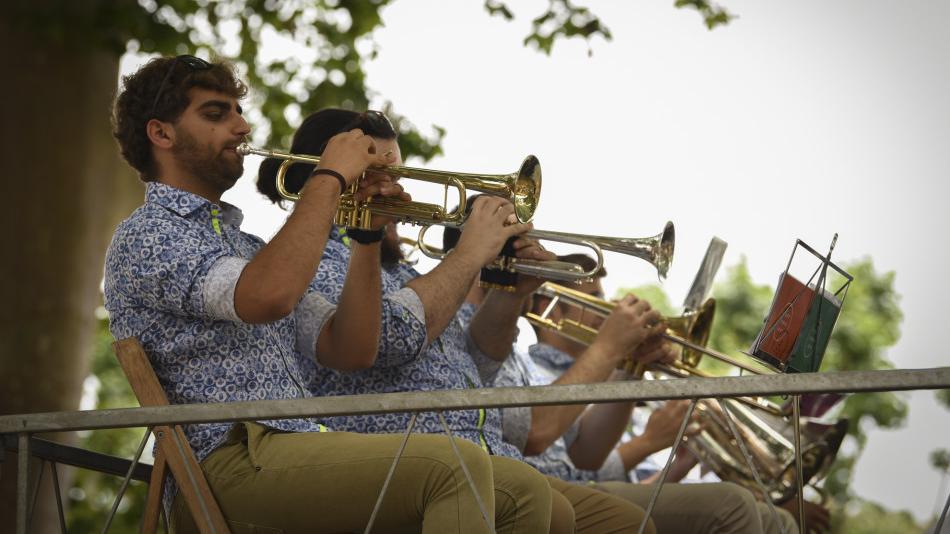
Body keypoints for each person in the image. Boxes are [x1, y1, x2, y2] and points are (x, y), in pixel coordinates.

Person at [104, 54, 554, 534]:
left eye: (239, 111)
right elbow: (268, 296)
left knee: (524, 492)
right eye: (217, 114)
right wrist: (330, 177)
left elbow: (351, 348)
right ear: (162, 134)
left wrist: (365, 238)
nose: (241, 126)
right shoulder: (148, 233)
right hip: (225, 459)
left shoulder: (246, 246)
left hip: (290, 444)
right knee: (450, 467)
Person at [256, 108, 658, 534]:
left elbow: (477, 366)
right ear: (335, 172)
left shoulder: (402, 270)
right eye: (381, 173)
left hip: (483, 452)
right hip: (406, 459)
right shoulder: (311, 258)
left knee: (629, 525)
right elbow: (385, 342)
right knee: (548, 508)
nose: (397, 188)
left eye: (399, 174)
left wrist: (510, 293)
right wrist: (468, 255)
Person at [496, 251, 823, 534]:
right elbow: (581, 464)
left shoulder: (598, 374)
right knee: (733, 504)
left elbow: (587, 454)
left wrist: (632, 364)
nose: (609, 310)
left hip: (591, 490)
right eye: (594, 299)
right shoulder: (532, 370)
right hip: (563, 494)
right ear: (552, 310)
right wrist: (649, 437)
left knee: (774, 519)